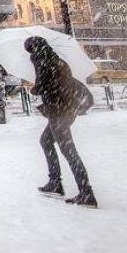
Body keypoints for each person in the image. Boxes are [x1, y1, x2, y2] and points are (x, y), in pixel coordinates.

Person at [25, 36, 97, 208]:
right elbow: (59, 83)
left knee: (69, 151)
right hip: (64, 110)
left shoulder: (43, 61)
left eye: (29, 50)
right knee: (46, 141)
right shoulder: (56, 60)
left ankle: (86, 192)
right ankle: (55, 182)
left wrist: (34, 89)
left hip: (59, 112)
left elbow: (44, 86)